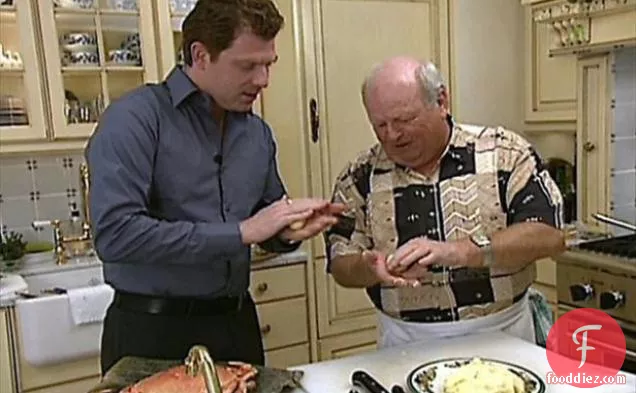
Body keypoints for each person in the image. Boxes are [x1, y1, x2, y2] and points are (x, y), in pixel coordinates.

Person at [85, 0, 344, 375]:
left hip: (236, 327)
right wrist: (240, 233)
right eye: (247, 65)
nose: (263, 80)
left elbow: (264, 223)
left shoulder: (257, 134)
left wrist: (287, 233)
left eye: (268, 64)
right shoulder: (135, 119)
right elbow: (115, 235)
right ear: (200, 55)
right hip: (151, 334)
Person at [324, 56, 566, 349]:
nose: (392, 135)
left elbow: (549, 235)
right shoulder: (359, 176)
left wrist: (461, 252)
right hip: (404, 342)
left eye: (404, 120)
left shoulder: (505, 152)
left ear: (441, 101)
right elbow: (341, 263)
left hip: (504, 334)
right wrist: (369, 267)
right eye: (380, 125)